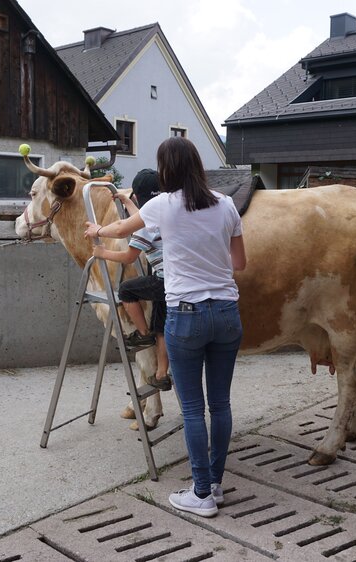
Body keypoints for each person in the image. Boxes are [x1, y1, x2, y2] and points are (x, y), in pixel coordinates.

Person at [84, 137, 246, 518]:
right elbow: (239, 263)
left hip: (186, 316)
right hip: (226, 313)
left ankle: (201, 494)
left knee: (192, 410)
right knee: (220, 404)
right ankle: (216, 486)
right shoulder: (226, 205)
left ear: (165, 170)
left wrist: (95, 232)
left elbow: (122, 226)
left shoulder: (160, 205)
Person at [92, 169, 171, 391]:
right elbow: (144, 214)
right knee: (162, 327)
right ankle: (162, 373)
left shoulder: (144, 228)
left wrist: (102, 252)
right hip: (177, 281)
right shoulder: (167, 213)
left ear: (138, 196)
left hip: (162, 280)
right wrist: (127, 202)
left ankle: (143, 334)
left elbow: (128, 256)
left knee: (127, 290)